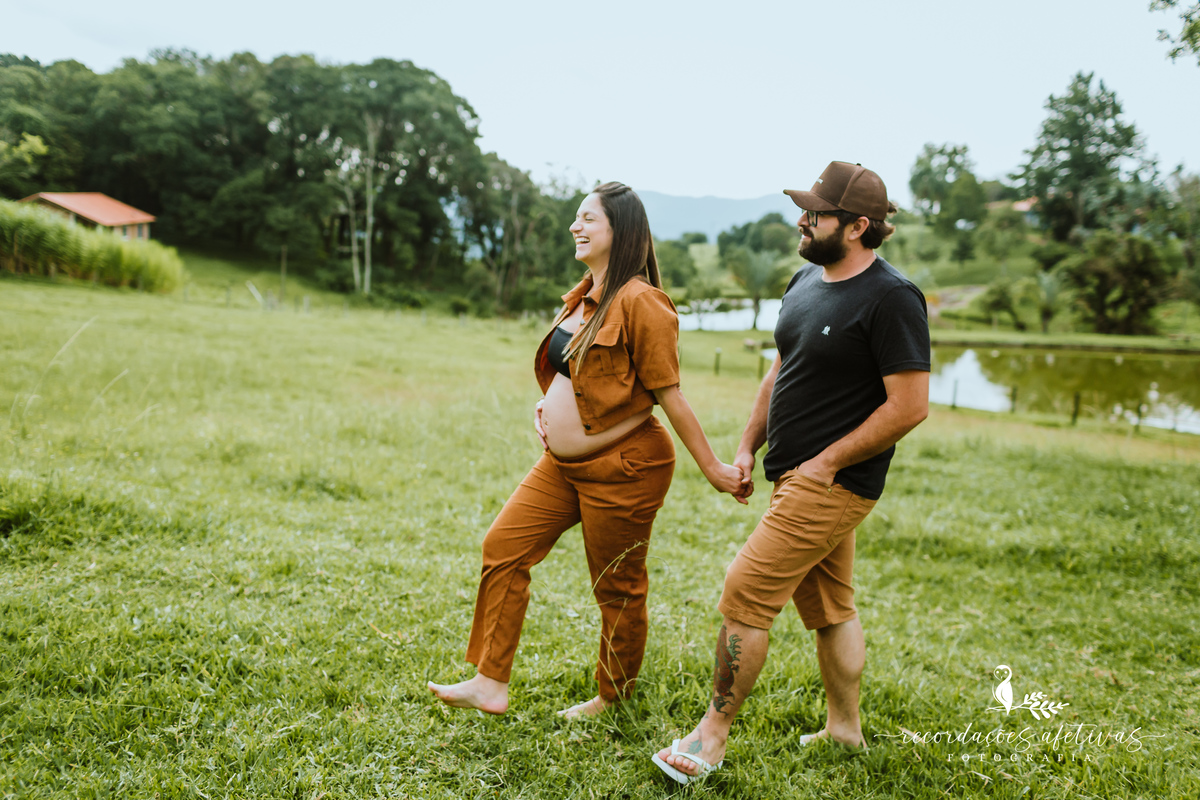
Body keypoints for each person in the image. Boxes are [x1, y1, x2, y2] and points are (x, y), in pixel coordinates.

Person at [652, 162, 931, 783]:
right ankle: (844, 730)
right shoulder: (805, 280)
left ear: (859, 226)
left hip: (831, 483)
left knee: (745, 592)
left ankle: (709, 738)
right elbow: (783, 370)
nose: (802, 220)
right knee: (831, 606)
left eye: (818, 213)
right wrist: (750, 444)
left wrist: (826, 462)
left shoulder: (893, 298)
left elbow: (910, 405)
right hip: (795, 475)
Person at [429, 181, 747, 719]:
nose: (575, 227)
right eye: (576, 218)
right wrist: (547, 404)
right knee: (503, 547)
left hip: (625, 467)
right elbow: (579, 374)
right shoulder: (583, 294)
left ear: (619, 232)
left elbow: (668, 393)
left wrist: (714, 468)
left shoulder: (644, 302)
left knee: (615, 586)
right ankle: (489, 681)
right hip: (562, 466)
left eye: (587, 219)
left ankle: (613, 696)